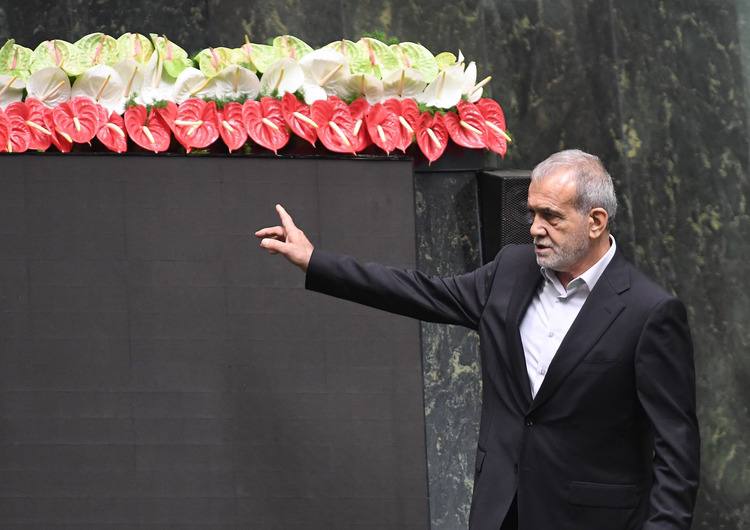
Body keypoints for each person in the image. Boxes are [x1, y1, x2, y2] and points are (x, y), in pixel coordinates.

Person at [255, 149, 700, 530]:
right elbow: (419, 292)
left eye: (551, 216)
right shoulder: (511, 270)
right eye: (531, 213)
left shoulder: (649, 312)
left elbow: (676, 452)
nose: (535, 228)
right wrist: (315, 261)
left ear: (596, 221)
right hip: (499, 510)